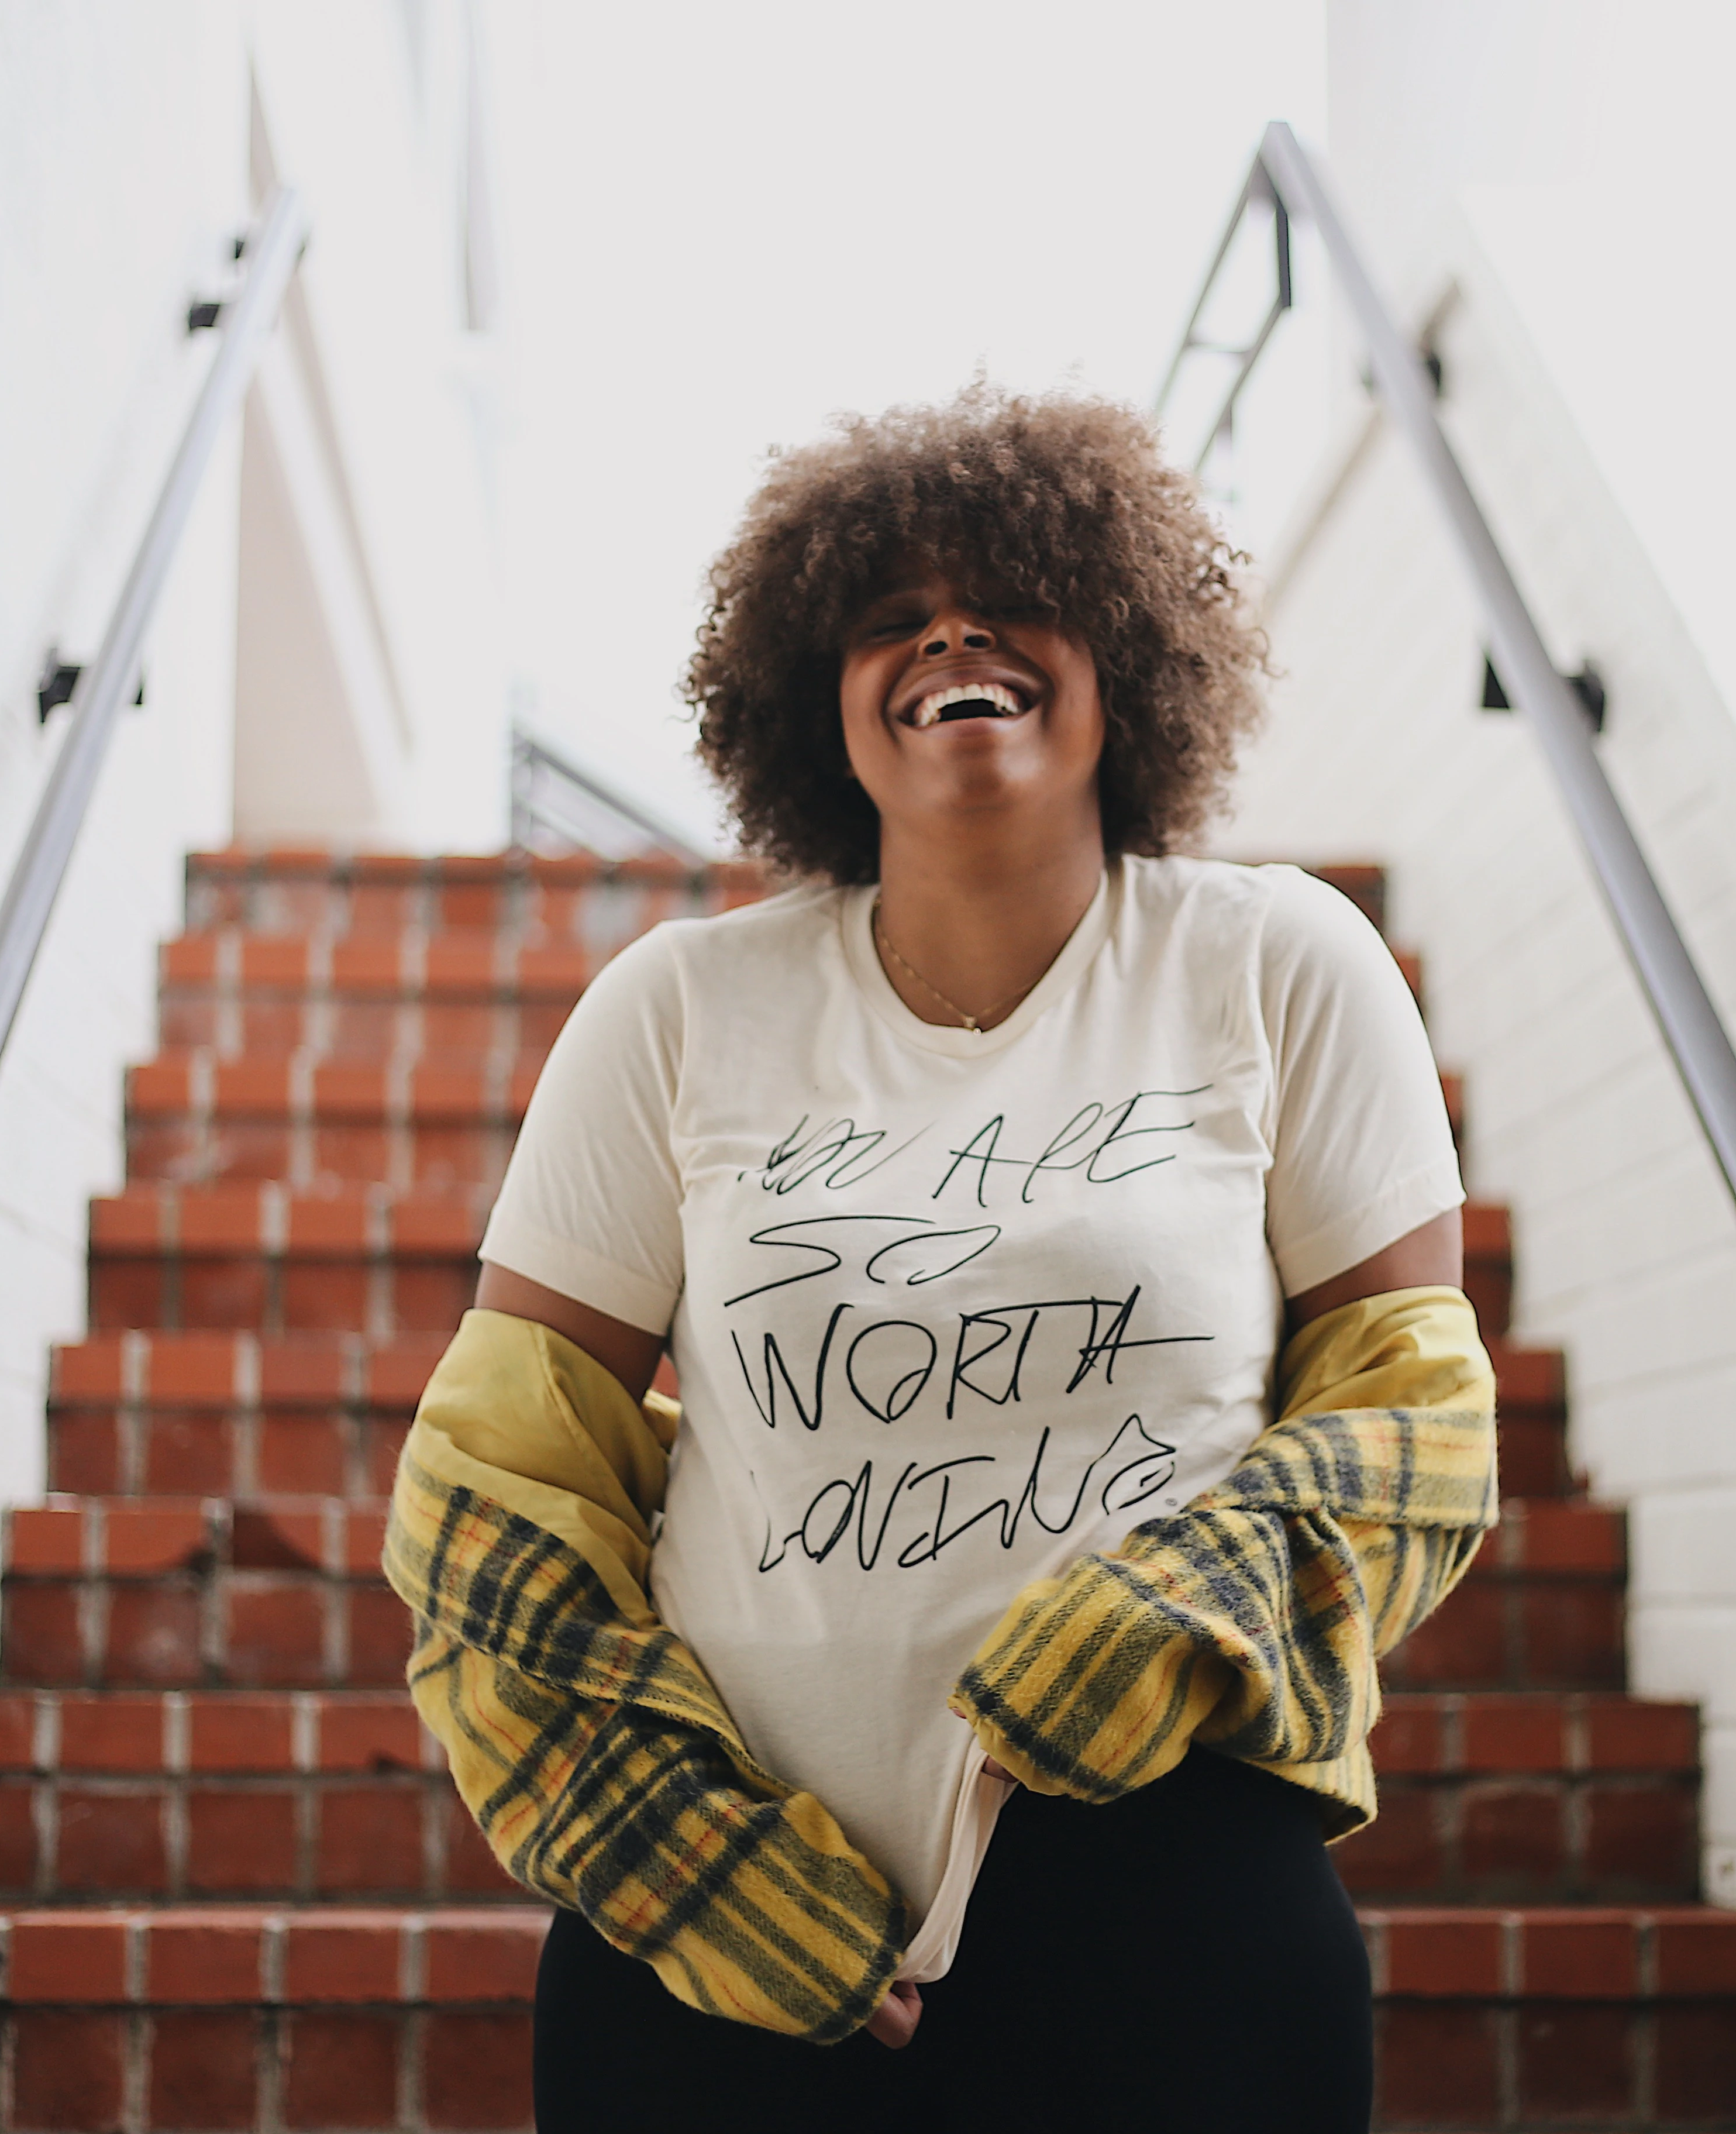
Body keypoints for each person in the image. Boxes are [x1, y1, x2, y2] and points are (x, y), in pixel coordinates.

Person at [383, 386, 1499, 2132]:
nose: (949, 638)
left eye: (1006, 597)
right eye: (887, 620)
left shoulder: (1280, 963)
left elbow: (1415, 1426)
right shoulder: (679, 1010)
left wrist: (1156, 1629)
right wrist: (688, 1856)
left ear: (1119, 649)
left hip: (1177, 1911)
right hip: (723, 1943)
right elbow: (497, 1486)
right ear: (816, 706)